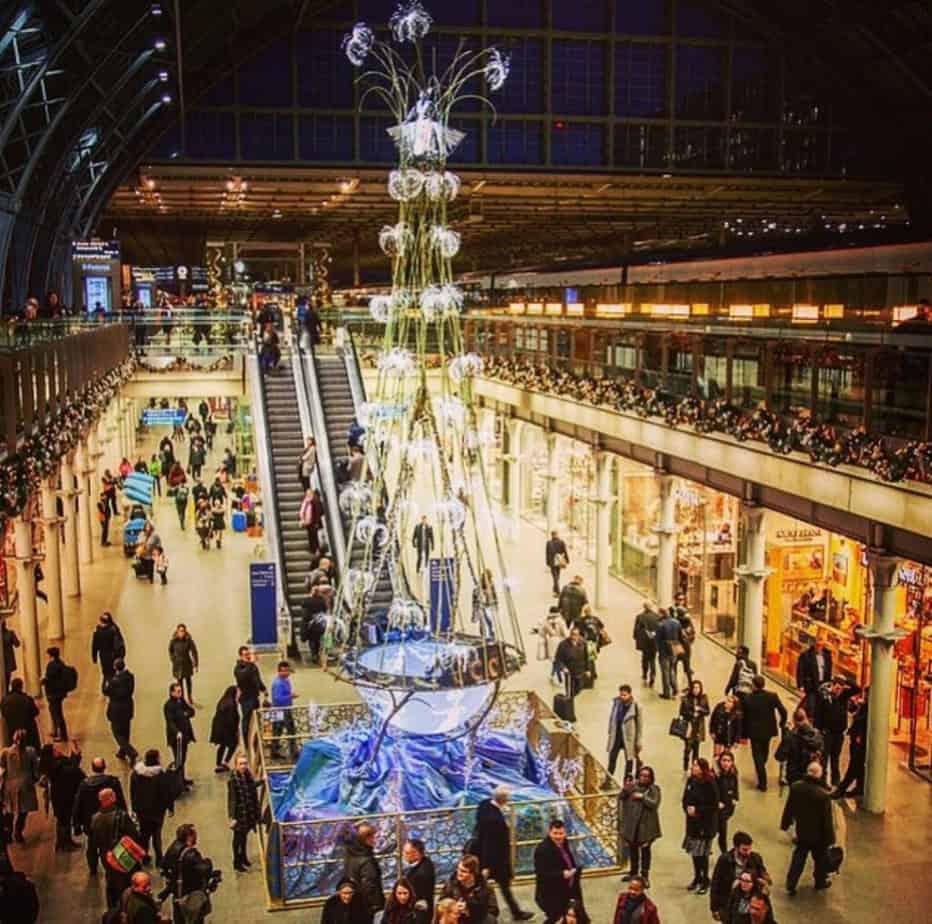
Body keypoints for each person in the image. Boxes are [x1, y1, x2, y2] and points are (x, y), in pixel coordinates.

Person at [474, 785, 534, 920]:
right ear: (504, 801)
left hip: (482, 855)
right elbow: (492, 844)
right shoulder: (497, 820)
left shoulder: (483, 805)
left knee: (497, 887)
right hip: (496, 861)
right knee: (502, 887)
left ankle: (514, 911)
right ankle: (513, 912)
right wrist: (487, 866)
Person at [780, 761, 835, 894]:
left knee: (798, 858)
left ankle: (791, 883)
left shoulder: (796, 787)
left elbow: (789, 808)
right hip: (819, 835)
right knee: (820, 859)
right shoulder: (823, 795)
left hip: (802, 831)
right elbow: (827, 820)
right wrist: (830, 838)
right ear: (819, 775)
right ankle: (820, 881)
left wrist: (785, 823)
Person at [72, 756, 127, 873]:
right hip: (111, 819)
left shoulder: (84, 785)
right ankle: (111, 866)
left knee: (91, 845)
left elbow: (78, 804)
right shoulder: (112, 782)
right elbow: (121, 800)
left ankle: (93, 867)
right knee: (111, 845)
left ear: (92, 768)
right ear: (104, 767)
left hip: (90, 822)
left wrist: (76, 824)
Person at [90, 787, 140, 908]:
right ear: (111, 798)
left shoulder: (95, 818)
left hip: (106, 857)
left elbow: (92, 843)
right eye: (113, 795)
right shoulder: (121, 816)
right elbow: (134, 836)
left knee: (111, 882)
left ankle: (112, 910)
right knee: (126, 884)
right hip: (123, 856)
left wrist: (93, 864)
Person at [740, 675, 787, 791]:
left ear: (754, 685)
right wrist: (782, 722)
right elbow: (783, 710)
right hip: (768, 731)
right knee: (764, 753)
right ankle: (761, 771)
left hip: (754, 732)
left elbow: (743, 717)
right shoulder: (772, 696)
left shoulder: (748, 699)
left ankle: (762, 782)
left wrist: (742, 733)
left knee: (757, 756)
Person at [709, 831, 769, 921]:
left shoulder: (755, 858)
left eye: (749, 849)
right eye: (744, 849)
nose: (748, 852)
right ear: (736, 847)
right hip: (729, 902)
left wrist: (764, 879)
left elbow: (762, 872)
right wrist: (714, 908)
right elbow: (715, 884)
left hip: (749, 901)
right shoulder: (725, 860)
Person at [533, 819, 584, 924]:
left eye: (561, 833)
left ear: (565, 833)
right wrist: (562, 874)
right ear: (549, 832)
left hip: (568, 891)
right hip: (551, 896)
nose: (558, 837)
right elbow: (541, 874)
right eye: (555, 833)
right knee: (556, 919)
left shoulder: (565, 842)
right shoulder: (542, 850)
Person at [618, 766, 661, 888]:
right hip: (633, 827)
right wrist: (625, 788)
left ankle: (645, 876)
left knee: (645, 852)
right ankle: (633, 872)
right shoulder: (632, 787)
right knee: (633, 851)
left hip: (646, 828)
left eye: (646, 776)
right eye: (642, 775)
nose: (643, 778)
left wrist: (642, 797)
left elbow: (654, 803)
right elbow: (621, 797)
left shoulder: (654, 789)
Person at [681, 757, 719, 895]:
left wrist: (697, 810)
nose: (693, 767)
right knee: (694, 853)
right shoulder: (691, 781)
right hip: (693, 825)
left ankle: (705, 879)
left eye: (696, 765)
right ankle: (697, 877)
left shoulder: (710, 783)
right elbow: (685, 798)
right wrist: (687, 808)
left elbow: (713, 805)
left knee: (703, 854)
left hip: (705, 825)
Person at [130, 749, 174, 867]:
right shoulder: (160, 775)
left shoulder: (136, 773)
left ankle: (144, 856)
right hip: (157, 811)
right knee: (156, 834)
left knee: (144, 834)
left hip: (142, 810)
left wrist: (134, 807)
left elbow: (132, 791)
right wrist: (170, 807)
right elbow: (166, 793)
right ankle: (159, 858)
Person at [814, 676, 860, 787]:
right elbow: (818, 714)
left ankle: (835, 780)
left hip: (839, 733)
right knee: (824, 758)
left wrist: (846, 680)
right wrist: (819, 730)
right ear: (832, 686)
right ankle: (823, 780)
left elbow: (857, 689)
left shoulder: (844, 696)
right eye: (837, 688)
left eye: (840, 689)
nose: (838, 691)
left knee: (835, 758)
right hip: (827, 733)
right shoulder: (824, 697)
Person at [42, 742, 84, 851]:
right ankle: (63, 844)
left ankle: (67, 841)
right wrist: (75, 756)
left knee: (65, 820)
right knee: (63, 821)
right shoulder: (55, 766)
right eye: (55, 750)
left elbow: (71, 765)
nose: (58, 750)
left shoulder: (58, 762)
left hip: (66, 795)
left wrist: (75, 754)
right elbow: (71, 770)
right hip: (62, 797)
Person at [0, 729, 39, 843]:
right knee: (23, 811)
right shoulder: (31, 751)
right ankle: (18, 831)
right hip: (25, 785)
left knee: (9, 810)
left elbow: (2, 769)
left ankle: (8, 831)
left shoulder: (5, 753)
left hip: (9, 785)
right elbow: (36, 771)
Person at [343, 822, 385, 918]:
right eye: (372, 837)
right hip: (368, 909)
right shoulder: (367, 861)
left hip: (355, 905)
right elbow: (370, 887)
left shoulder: (350, 855)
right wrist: (377, 908)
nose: (374, 840)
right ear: (364, 839)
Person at [441, 854, 498, 924]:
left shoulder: (485, 887)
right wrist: (453, 907)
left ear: (472, 874)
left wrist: (469, 910)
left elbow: (493, 911)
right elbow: (441, 903)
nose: (459, 873)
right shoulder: (451, 883)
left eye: (463, 871)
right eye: (458, 869)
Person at [228, 753, 260, 872]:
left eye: (245, 763)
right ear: (236, 765)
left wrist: (262, 781)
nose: (243, 766)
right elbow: (232, 799)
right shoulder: (233, 780)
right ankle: (236, 861)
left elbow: (251, 787)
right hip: (239, 814)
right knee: (237, 839)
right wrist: (232, 816)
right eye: (241, 764)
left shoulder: (247, 776)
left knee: (244, 836)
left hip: (247, 812)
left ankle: (244, 857)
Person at [833, 689, 867, 798]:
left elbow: (862, 721)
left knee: (854, 765)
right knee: (858, 766)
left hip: (860, 741)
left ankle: (841, 789)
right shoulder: (864, 705)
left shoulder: (870, 707)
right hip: (856, 739)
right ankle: (859, 787)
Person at [605, 684, 643, 783]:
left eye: (624, 695)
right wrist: (610, 731)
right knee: (612, 758)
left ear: (630, 694)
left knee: (629, 761)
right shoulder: (617, 703)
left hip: (629, 737)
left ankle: (627, 783)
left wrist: (638, 741)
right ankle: (608, 779)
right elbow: (611, 718)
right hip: (616, 735)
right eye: (621, 695)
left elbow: (639, 726)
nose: (622, 697)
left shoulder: (636, 706)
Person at [775, 709, 824, 785]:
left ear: (794, 720)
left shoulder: (790, 736)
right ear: (806, 718)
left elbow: (779, 756)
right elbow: (821, 753)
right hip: (811, 775)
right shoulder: (817, 735)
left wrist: (785, 732)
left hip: (794, 775)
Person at [105, 658, 139, 764]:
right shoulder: (130, 677)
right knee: (125, 730)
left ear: (115, 667)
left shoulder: (113, 681)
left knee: (117, 733)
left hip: (116, 709)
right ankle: (122, 752)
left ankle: (131, 752)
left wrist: (107, 684)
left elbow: (106, 691)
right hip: (128, 707)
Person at [163, 682, 195, 785]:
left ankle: (182, 779)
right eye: (178, 691)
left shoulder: (180, 701)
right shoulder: (168, 705)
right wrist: (177, 732)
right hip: (176, 737)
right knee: (179, 760)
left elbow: (191, 711)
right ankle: (179, 783)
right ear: (172, 693)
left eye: (180, 691)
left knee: (182, 758)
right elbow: (170, 721)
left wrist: (186, 714)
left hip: (184, 735)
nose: (180, 693)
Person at [234, 646, 266, 743]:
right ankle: (246, 740)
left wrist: (263, 689)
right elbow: (243, 677)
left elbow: (257, 678)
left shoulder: (252, 666)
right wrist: (250, 663)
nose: (248, 657)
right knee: (246, 720)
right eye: (245, 655)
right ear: (240, 656)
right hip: (246, 699)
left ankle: (258, 738)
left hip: (254, 696)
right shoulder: (238, 668)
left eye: (248, 654)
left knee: (258, 717)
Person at [796, 640, 832, 723]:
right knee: (811, 704)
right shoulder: (806, 655)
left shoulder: (827, 655)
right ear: (814, 645)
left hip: (822, 684)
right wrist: (800, 684)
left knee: (820, 705)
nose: (819, 647)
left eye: (821, 646)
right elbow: (800, 670)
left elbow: (829, 669)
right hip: (811, 685)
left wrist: (829, 683)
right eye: (817, 645)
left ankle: (818, 721)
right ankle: (809, 720)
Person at [42, 646, 72, 741]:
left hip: (53, 693)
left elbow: (49, 679)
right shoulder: (61, 663)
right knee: (54, 712)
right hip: (59, 693)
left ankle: (62, 735)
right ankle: (56, 731)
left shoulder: (52, 665)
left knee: (57, 713)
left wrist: (43, 681)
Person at [0, 678, 40, 749]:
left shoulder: (5, 700)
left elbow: (3, 713)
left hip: (12, 730)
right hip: (28, 731)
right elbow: (36, 712)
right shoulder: (27, 699)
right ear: (21, 687)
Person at [679, 680, 711, 770]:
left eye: (698, 688)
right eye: (694, 688)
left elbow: (708, 711)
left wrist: (700, 710)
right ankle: (685, 765)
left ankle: (694, 766)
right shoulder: (686, 699)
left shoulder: (704, 698)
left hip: (698, 726)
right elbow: (682, 712)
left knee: (696, 749)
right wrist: (691, 713)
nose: (696, 690)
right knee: (688, 748)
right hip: (689, 726)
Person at [402, 838, 436, 922]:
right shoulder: (425, 863)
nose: (403, 855)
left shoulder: (421, 873)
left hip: (418, 914)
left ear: (416, 854)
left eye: (406, 853)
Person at [270, 659, 299, 758]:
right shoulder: (278, 683)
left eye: (287, 670)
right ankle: (278, 751)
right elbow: (277, 699)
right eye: (284, 671)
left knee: (287, 731)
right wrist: (291, 697)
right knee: (279, 731)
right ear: (279, 671)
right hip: (279, 710)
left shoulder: (286, 681)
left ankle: (292, 751)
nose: (287, 673)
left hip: (286, 709)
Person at [91, 611, 125, 692]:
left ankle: (105, 688)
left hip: (103, 655)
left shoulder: (97, 632)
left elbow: (94, 646)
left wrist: (94, 657)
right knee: (112, 672)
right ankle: (110, 687)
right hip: (112, 655)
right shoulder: (113, 630)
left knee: (106, 672)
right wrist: (120, 655)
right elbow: (119, 643)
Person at [714, 750, 740, 853]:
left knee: (720, 830)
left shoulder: (733, 774)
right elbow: (713, 790)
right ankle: (724, 852)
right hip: (718, 809)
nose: (726, 763)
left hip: (728, 807)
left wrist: (735, 798)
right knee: (722, 831)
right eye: (724, 760)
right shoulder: (716, 775)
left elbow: (736, 788)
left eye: (728, 761)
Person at [210, 685, 240, 772]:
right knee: (233, 744)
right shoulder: (232, 705)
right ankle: (225, 762)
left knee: (222, 745)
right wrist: (235, 731)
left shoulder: (223, 701)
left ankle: (219, 763)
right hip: (227, 730)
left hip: (219, 729)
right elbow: (232, 720)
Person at [554, 626, 589, 699]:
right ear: (570, 634)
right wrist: (563, 668)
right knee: (570, 691)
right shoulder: (563, 644)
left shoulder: (583, 643)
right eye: (572, 634)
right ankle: (570, 702)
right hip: (569, 672)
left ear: (579, 635)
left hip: (580, 670)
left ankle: (573, 696)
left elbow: (587, 657)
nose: (574, 636)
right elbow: (558, 659)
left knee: (579, 688)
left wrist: (587, 669)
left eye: (576, 635)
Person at [168, 624, 199, 704]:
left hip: (187, 664)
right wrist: (173, 659)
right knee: (179, 683)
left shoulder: (189, 641)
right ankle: (181, 699)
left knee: (188, 681)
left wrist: (195, 664)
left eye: (183, 631)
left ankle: (189, 696)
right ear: (177, 632)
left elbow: (194, 652)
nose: (182, 633)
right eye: (180, 631)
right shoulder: (173, 641)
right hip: (177, 665)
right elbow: (170, 650)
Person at [671, 593, 695, 690]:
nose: (681, 601)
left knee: (687, 666)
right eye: (679, 599)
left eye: (683, 599)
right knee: (674, 666)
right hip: (676, 644)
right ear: (675, 599)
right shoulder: (672, 611)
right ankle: (675, 687)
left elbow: (692, 629)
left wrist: (690, 639)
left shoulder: (685, 613)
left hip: (684, 644)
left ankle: (689, 686)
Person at [632, 602, 659, 687]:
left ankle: (644, 674)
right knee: (652, 659)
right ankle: (653, 675)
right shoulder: (657, 617)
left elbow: (636, 630)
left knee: (645, 659)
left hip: (644, 642)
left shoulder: (640, 617)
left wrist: (636, 637)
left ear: (644, 607)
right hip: (654, 642)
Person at [655, 609, 680, 700]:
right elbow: (680, 636)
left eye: (658, 614)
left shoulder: (660, 625)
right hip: (674, 649)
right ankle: (675, 689)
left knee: (665, 672)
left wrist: (658, 650)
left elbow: (657, 640)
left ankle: (666, 693)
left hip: (664, 651)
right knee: (672, 670)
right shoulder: (676, 622)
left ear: (662, 614)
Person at [300, 488, 324, 554]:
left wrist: (317, 521)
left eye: (312, 494)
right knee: (312, 536)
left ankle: (316, 549)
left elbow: (317, 512)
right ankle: (314, 549)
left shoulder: (315, 501)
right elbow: (302, 511)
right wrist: (303, 519)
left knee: (314, 536)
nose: (311, 495)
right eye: (309, 494)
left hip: (313, 522)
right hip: (308, 522)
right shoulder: (307, 502)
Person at [545, 530, 569, 596]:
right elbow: (565, 551)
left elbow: (547, 553)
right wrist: (567, 560)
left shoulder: (549, 543)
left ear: (551, 535)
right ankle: (556, 590)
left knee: (555, 577)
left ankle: (557, 591)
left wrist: (547, 562)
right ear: (557, 534)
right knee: (557, 576)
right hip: (559, 562)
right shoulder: (561, 542)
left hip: (552, 562)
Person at [1, 619, 20, 693]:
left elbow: (17, 644)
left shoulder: (10, 633)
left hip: (8, 660)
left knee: (7, 677)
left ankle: (6, 692)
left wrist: (13, 638)